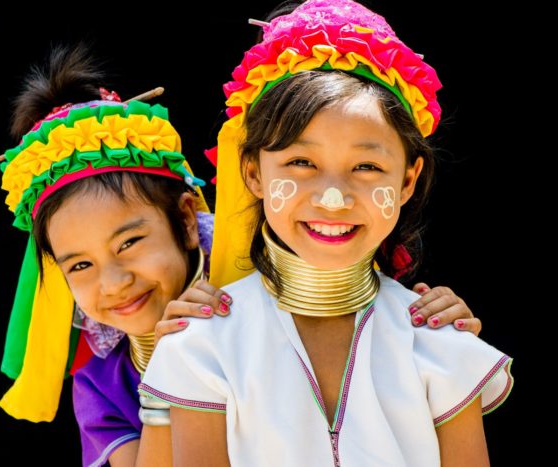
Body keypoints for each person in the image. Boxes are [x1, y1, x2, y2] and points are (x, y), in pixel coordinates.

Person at [0, 42, 482, 466]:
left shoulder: (407, 328)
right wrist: (172, 370)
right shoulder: (151, 362)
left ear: (187, 220)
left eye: (130, 242)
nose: (114, 280)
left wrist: (442, 332)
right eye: (80, 264)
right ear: (253, 173)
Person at [139, 1, 513, 466]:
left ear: (408, 181)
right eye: (301, 163)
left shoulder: (439, 342)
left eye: (367, 167)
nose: (333, 197)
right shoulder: (204, 346)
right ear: (252, 173)